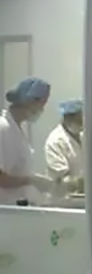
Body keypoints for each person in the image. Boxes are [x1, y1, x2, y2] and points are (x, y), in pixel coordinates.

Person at [0, 77, 53, 205]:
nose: (41, 110)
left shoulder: (17, 129)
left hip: (18, 207)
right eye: (40, 104)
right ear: (28, 101)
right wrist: (31, 180)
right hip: (6, 209)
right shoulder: (3, 128)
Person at [44, 99, 85, 195]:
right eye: (78, 120)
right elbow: (62, 179)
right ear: (66, 118)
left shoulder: (84, 136)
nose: (81, 122)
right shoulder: (55, 141)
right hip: (63, 197)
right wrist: (83, 182)